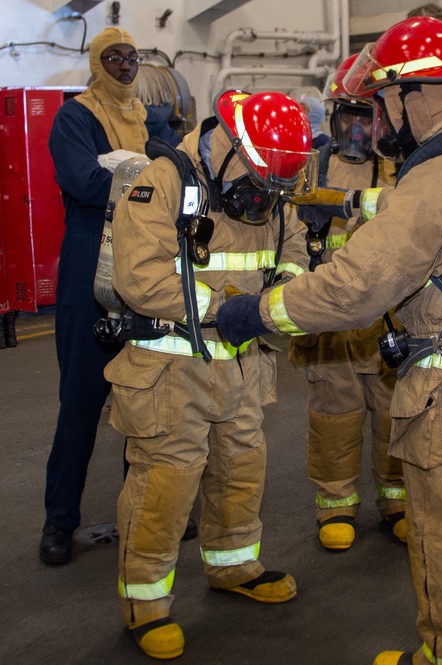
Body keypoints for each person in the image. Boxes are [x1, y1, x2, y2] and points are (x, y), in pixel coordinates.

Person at [216, 17, 442, 665]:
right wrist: (350, 206)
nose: (375, 120)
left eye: (381, 103)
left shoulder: (437, 177)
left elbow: (354, 289)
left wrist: (257, 313)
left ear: (409, 95)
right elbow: (436, 218)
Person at [105, 89, 312, 659]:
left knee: (241, 468)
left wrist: (281, 294)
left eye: (277, 188)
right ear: (230, 145)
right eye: (261, 180)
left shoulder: (271, 185)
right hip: (172, 366)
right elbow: (141, 279)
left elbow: (292, 248)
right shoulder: (163, 181)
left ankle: (233, 565)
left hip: (243, 365)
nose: (266, 198)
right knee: (165, 484)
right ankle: (144, 603)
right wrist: (224, 309)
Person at [41, 27, 182, 566]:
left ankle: (144, 517)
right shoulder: (74, 118)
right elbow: (82, 181)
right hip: (88, 272)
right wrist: (147, 179)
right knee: (80, 405)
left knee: (145, 401)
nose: (125, 66)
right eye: (114, 58)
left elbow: (177, 171)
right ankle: (59, 522)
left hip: (146, 270)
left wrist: (127, 172)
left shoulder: (152, 117)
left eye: (131, 58)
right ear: (97, 64)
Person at [289, 54, 406, 551]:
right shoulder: (309, 167)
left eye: (366, 117)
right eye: (349, 117)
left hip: (386, 321)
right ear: (333, 118)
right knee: (333, 417)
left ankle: (396, 499)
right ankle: (335, 504)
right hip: (332, 324)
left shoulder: (396, 170)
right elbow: (287, 237)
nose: (357, 129)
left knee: (392, 414)